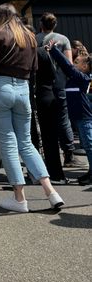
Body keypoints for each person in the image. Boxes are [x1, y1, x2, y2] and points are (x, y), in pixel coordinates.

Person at [0, 3, 64, 212]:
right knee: (26, 143)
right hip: (23, 90)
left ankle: (19, 199)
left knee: (8, 143)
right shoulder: (30, 37)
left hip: (1, 88)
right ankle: (51, 192)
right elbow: (35, 68)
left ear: (1, 16)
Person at [47, 43, 92, 185]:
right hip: (79, 118)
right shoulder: (75, 79)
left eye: (77, 62)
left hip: (85, 117)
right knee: (86, 145)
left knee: (89, 146)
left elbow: (67, 67)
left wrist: (54, 50)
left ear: (85, 67)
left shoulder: (82, 78)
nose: (74, 63)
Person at [37, 13, 77, 167]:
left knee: (45, 121)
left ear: (41, 24)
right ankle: (68, 154)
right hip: (60, 82)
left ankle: (49, 157)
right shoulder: (63, 39)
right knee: (63, 117)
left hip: (42, 83)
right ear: (54, 24)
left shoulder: (35, 39)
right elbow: (69, 64)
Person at [34, 46, 68, 184]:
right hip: (49, 96)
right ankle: (56, 174)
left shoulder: (33, 55)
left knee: (44, 139)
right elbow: (55, 75)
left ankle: (48, 172)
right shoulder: (44, 54)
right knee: (51, 140)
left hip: (39, 97)